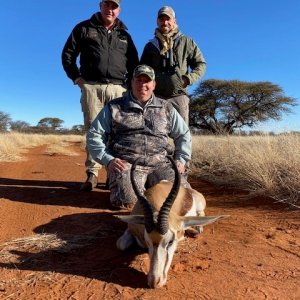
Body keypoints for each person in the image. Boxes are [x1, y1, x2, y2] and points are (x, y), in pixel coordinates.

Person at [86, 65, 192, 209]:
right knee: (129, 203)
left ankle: (151, 188)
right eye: (139, 80)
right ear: (132, 83)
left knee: (182, 199)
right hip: (127, 165)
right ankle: (127, 187)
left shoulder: (166, 107)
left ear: (154, 84)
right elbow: (94, 135)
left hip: (161, 164)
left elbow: (183, 134)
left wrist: (181, 159)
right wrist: (108, 160)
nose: (143, 84)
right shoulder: (114, 107)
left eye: (147, 81)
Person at [61, 0, 139, 191]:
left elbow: (134, 64)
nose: (110, 10)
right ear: (100, 6)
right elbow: (67, 55)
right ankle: (92, 174)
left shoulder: (124, 35)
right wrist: (78, 80)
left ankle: (113, 175)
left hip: (118, 89)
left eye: (114, 7)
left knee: (118, 132)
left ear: (119, 10)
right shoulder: (84, 28)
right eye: (107, 5)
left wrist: (128, 87)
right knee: (93, 130)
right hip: (92, 87)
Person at [140, 6, 206, 125]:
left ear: (174, 21)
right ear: (157, 21)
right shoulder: (150, 46)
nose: (165, 22)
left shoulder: (186, 41)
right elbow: (141, 70)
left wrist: (188, 79)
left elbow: (200, 64)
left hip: (179, 96)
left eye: (168, 19)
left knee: (182, 135)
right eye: (161, 19)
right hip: (156, 97)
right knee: (155, 134)